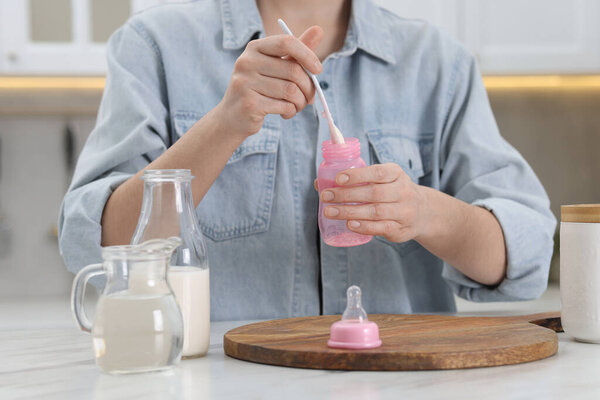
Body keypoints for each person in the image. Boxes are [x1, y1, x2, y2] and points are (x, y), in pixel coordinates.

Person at [59, 0, 556, 321]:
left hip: (399, 380)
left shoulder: (438, 63)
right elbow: (97, 248)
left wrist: (424, 212)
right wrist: (225, 124)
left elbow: (522, 260)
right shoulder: (153, 46)